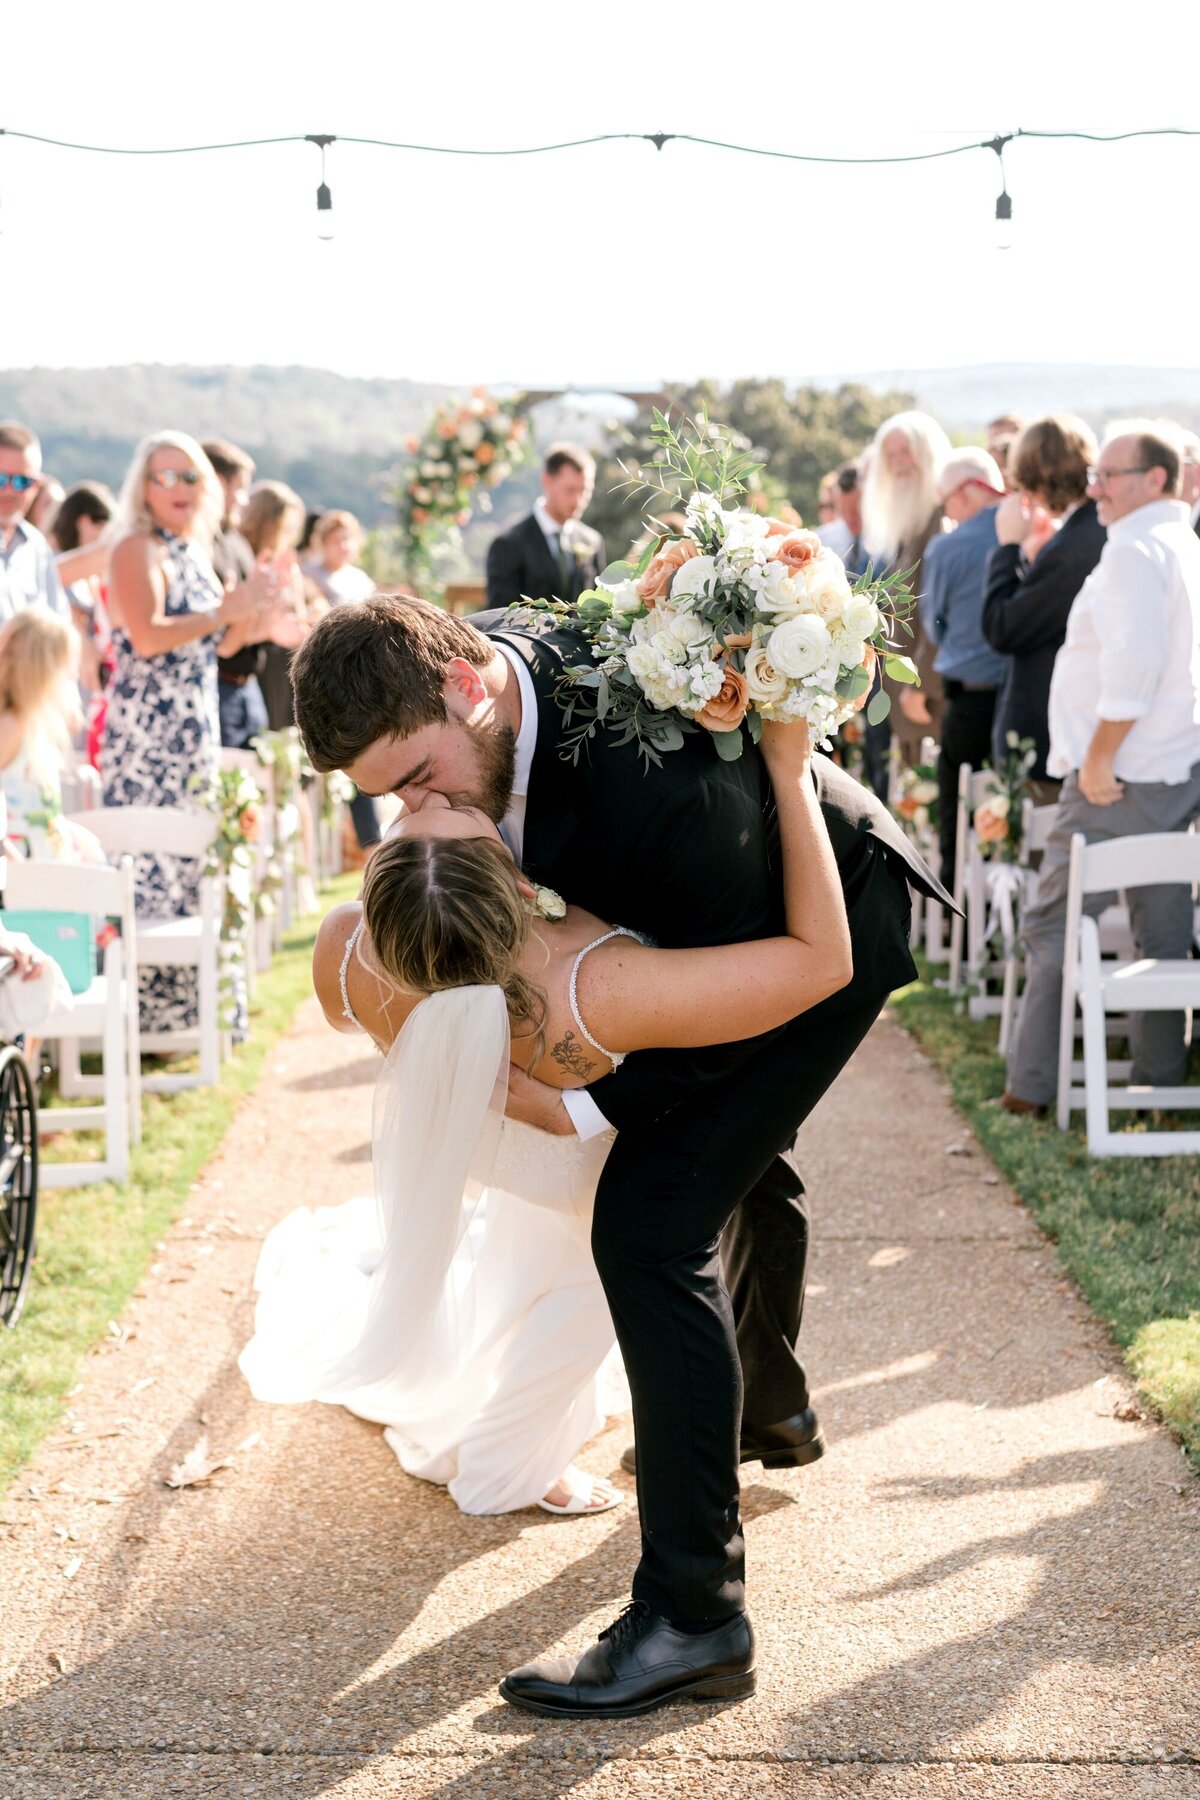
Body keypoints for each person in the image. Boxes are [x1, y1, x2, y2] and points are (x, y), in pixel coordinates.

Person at [291, 595, 949, 1719]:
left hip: (819, 917)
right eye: (391, 798)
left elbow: (768, 996)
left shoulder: (655, 796)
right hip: (713, 927)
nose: (414, 812)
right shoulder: (470, 695)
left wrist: (585, 1107)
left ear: (466, 687)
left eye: (419, 778)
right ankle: (764, 1407)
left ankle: (697, 1617)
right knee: (735, 1165)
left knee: (650, 1225)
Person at [242, 704, 852, 1517]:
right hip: (567, 1162)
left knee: (517, 1256)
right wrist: (788, 766)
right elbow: (821, 963)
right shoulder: (596, 982)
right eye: (450, 816)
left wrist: (445, 1032)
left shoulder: (346, 947)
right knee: (583, 1287)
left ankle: (490, 1397)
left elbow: (357, 1018)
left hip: (482, 1141)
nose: (430, 798)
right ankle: (510, 1463)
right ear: (523, 888)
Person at [1003, 422, 1200, 1117]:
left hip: (1113, 780)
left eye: (1109, 476)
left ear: (1156, 478)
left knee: (1052, 927)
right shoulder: (1183, 544)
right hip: (1172, 772)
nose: (1095, 490)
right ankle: (1157, 1089)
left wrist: (1096, 757)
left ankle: (1030, 1089)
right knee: (1163, 936)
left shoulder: (1136, 550)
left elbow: (1133, 669)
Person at [102, 432, 278, 1034]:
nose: (179, 488)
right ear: (144, 488)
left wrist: (253, 609)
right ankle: (148, 1026)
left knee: (189, 865)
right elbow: (148, 636)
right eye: (165, 477)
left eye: (190, 476)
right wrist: (225, 611)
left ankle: (188, 1020)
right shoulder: (136, 547)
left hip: (192, 730)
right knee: (151, 865)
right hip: (147, 738)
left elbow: (220, 644)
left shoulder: (190, 549)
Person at [982, 415, 1106, 792]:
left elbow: (1003, 627)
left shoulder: (1075, 546)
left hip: (1050, 746)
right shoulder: (1086, 531)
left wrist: (1007, 547)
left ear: (1035, 479)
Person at [921, 447, 1008, 892]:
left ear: (968, 491)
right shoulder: (1030, 531)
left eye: (947, 500)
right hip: (1021, 695)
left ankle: (959, 905)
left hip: (971, 696)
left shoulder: (949, 546)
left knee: (959, 810)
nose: (946, 511)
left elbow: (934, 623)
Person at [860, 411, 951, 784]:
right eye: (891, 454)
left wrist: (921, 684)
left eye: (906, 451)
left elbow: (940, 612)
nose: (899, 462)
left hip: (924, 697)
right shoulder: (907, 526)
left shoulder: (940, 521)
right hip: (896, 692)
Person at [239, 480, 324, 731]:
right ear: (265, 522)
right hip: (258, 662)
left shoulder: (288, 562)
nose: (289, 534)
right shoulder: (243, 559)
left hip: (287, 659)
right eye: (284, 526)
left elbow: (298, 607)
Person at [485, 444, 606, 609]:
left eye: (585, 490)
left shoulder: (593, 541)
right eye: (570, 490)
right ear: (547, 482)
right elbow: (500, 614)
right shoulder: (508, 544)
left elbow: (598, 608)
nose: (578, 500)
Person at [0, 610, 83, 849]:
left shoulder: (34, 727)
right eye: (64, 670)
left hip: (47, 864)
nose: (71, 679)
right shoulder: (10, 726)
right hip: (21, 867)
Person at [0, 422, 70, 624]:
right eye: (0, 478)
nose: (9, 490)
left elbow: (57, 623)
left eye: (22, 481)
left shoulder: (36, 547)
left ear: (36, 485)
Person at [302, 510, 376, 607]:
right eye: (336, 540)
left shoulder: (362, 580)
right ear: (323, 543)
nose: (343, 546)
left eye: (347, 538)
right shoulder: (308, 575)